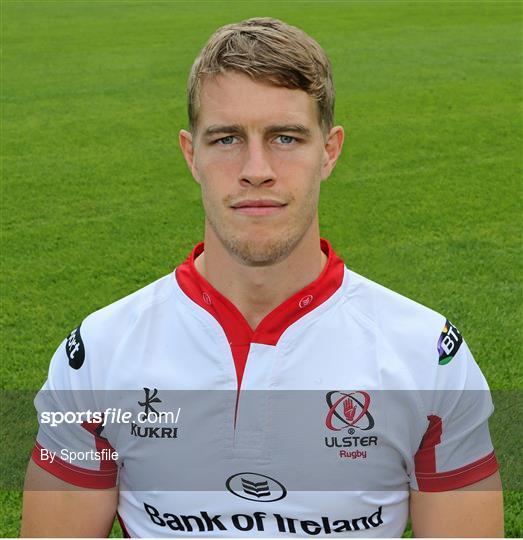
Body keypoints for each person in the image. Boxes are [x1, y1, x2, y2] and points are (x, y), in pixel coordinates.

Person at [21, 17, 503, 538]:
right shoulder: (97, 355)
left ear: (330, 150)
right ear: (191, 155)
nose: (256, 168)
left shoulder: (428, 356)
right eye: (227, 139)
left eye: (286, 138)